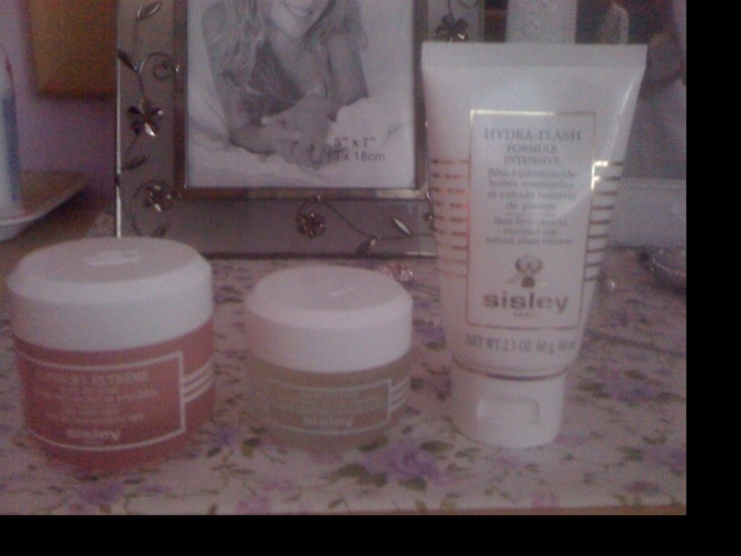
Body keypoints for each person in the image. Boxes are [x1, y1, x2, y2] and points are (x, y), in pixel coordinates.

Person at [202, 0, 368, 170]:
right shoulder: (223, 22)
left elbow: (360, 109)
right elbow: (240, 129)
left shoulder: (334, 20)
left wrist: (320, 109)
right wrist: (274, 137)